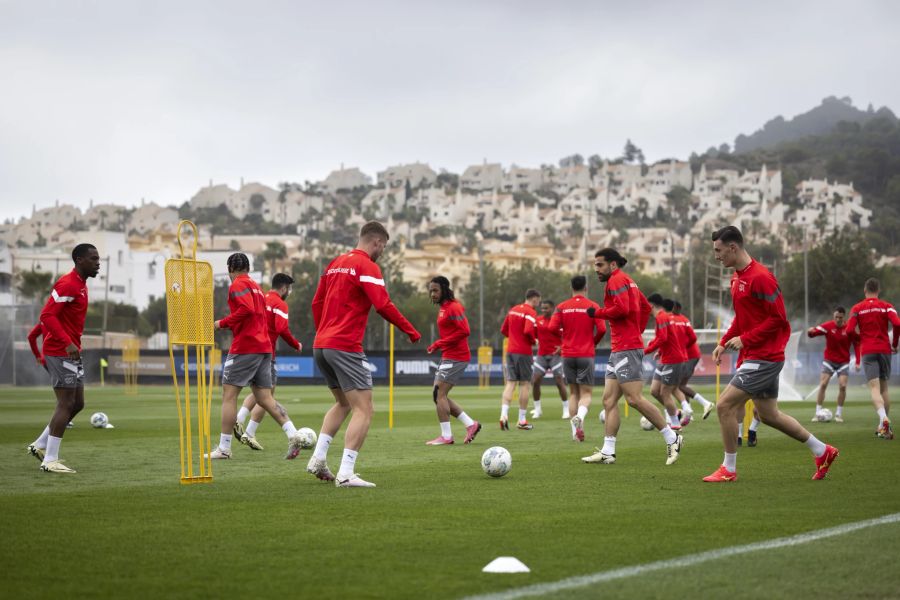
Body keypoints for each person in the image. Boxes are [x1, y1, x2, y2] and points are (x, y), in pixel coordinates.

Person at [703, 226, 838, 482]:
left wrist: (745, 339)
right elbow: (742, 320)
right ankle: (822, 451)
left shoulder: (761, 277)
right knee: (768, 415)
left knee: (724, 406)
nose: (716, 256)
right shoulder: (736, 278)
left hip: (765, 356)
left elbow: (779, 319)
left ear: (733, 247)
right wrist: (723, 342)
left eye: (718, 251)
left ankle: (728, 470)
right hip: (756, 355)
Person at [307, 221, 421, 487]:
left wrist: (323, 332)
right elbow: (383, 304)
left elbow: (316, 303)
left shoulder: (335, 263)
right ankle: (346, 473)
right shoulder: (367, 266)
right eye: (384, 246)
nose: (382, 251)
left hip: (321, 344)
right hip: (344, 345)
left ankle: (318, 458)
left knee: (343, 403)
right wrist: (410, 329)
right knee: (365, 408)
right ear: (377, 242)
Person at [581, 248, 684, 465]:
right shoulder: (628, 280)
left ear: (613, 265)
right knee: (609, 400)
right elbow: (645, 308)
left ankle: (672, 437)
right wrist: (635, 331)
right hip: (621, 348)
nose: (596, 269)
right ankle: (608, 450)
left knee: (634, 399)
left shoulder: (616, 281)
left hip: (626, 349)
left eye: (600, 265)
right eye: (595, 265)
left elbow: (622, 308)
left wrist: (597, 313)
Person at [208, 254, 306, 460]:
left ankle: (224, 448)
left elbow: (246, 309)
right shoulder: (256, 287)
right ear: (248, 267)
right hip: (264, 348)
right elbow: (254, 314)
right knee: (265, 398)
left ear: (230, 269)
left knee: (229, 395)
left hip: (246, 346)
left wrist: (221, 323)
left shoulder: (238, 285)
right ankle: (293, 434)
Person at [26, 243, 101, 473]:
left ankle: (39, 445)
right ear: (79, 260)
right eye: (93, 258)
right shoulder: (68, 283)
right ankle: (50, 460)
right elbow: (47, 316)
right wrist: (67, 342)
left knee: (77, 404)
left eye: (98, 258)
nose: (98, 263)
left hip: (70, 351)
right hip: (59, 351)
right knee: (66, 403)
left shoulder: (81, 285)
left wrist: (73, 343)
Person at [233, 273, 304, 451]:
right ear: (284, 288)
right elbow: (281, 328)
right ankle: (246, 427)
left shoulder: (260, 298)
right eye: (289, 288)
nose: (290, 291)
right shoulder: (280, 303)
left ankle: (244, 426)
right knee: (267, 396)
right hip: (266, 353)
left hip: (252, 349)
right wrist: (296, 344)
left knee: (263, 394)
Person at [424, 276, 481, 445]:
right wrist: (439, 345)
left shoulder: (454, 307)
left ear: (444, 289)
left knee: (438, 394)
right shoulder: (444, 308)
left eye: (435, 290)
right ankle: (471, 424)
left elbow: (465, 331)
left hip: (457, 356)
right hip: (449, 355)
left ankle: (447, 436)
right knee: (439, 395)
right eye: (431, 290)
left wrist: (439, 343)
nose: (432, 294)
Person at [548, 275, 606, 441]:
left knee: (573, 393)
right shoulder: (593, 306)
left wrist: (564, 337)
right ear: (585, 288)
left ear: (571, 288)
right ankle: (580, 416)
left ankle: (575, 433)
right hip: (586, 354)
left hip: (568, 354)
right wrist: (592, 342)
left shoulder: (562, 307)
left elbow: (552, 328)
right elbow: (602, 330)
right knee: (586, 394)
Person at [845, 278, 900, 439]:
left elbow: (849, 330)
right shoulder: (887, 306)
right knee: (884, 389)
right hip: (884, 350)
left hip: (868, 350)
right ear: (878, 290)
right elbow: (897, 324)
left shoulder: (857, 308)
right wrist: (894, 343)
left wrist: (859, 339)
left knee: (874, 389)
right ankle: (885, 427)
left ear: (865, 290)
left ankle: (883, 419)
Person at [807, 306, 860, 424]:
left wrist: (857, 361)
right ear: (833, 316)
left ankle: (838, 414)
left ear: (844, 317)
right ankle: (817, 413)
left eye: (840, 317)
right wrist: (810, 332)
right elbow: (814, 333)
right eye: (836, 317)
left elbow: (857, 344)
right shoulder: (828, 326)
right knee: (823, 384)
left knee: (842, 386)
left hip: (844, 362)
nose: (838, 319)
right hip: (829, 360)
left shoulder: (849, 329)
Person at [499, 289, 541, 431]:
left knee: (510, 383)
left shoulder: (513, 310)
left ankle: (503, 416)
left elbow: (503, 330)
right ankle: (522, 420)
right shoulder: (530, 312)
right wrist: (533, 340)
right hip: (523, 352)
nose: (538, 304)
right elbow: (528, 330)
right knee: (524, 384)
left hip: (510, 350)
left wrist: (513, 337)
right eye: (538, 301)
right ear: (534, 299)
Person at [645, 294, 687, 431]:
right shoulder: (662, 317)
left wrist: (647, 350)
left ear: (651, 305)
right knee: (654, 391)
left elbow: (662, 338)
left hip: (673, 360)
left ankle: (675, 423)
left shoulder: (662, 317)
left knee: (665, 392)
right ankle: (675, 412)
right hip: (665, 359)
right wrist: (660, 351)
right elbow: (665, 338)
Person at [670, 300, 714, 424]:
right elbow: (693, 338)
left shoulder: (672, 319)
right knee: (682, 385)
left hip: (688, 356)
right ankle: (688, 413)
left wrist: (682, 347)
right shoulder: (684, 319)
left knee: (679, 386)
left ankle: (705, 403)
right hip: (693, 354)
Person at [532, 299, 569, 419]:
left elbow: (567, 337)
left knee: (559, 381)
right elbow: (534, 335)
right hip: (542, 355)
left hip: (555, 355)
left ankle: (566, 409)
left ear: (552, 308)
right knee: (535, 380)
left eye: (546, 308)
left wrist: (562, 347)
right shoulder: (538, 320)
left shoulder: (558, 321)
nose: (543, 310)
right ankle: (537, 409)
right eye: (542, 308)